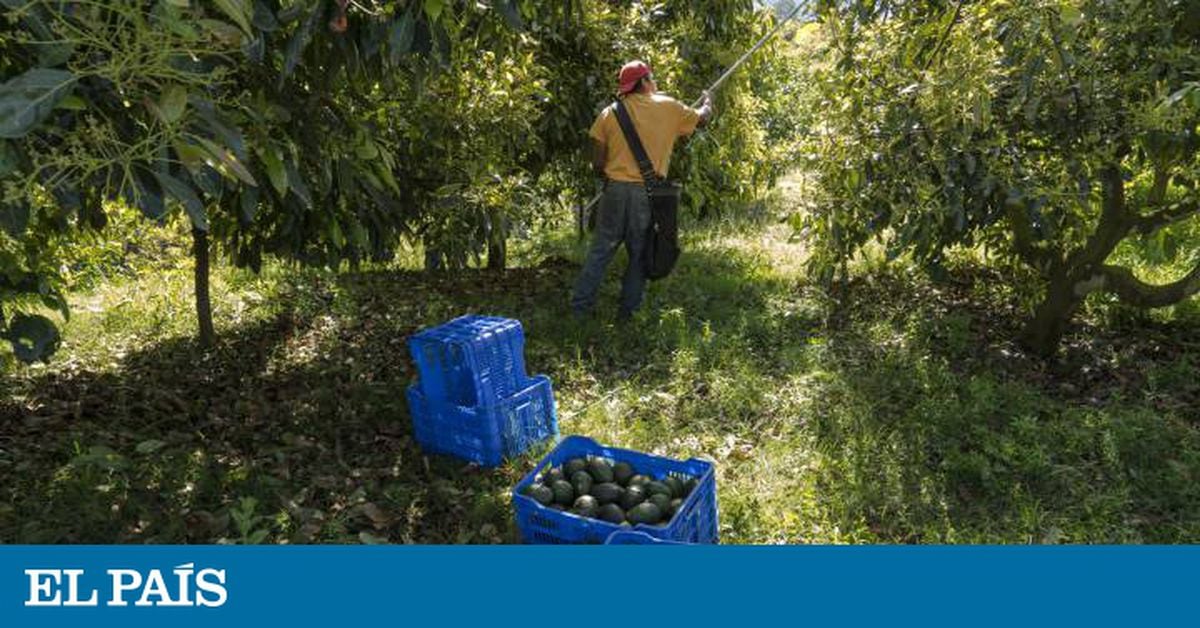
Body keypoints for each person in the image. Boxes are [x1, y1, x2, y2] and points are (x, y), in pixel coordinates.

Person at [571, 60, 714, 321]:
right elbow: (702, 120)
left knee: (601, 250)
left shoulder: (609, 113)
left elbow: (598, 160)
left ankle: (579, 311)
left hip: (613, 191)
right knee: (639, 253)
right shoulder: (669, 107)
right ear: (646, 81)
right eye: (652, 77)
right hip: (646, 195)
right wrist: (707, 102)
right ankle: (628, 314)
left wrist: (611, 173)